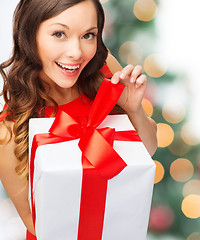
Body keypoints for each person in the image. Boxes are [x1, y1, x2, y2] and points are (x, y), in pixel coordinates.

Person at [0, 0, 157, 239]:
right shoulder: (9, 131)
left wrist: (134, 109)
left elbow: (148, 149)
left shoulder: (105, 72)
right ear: (29, 35)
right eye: (59, 34)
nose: (76, 53)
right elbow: (37, 225)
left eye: (88, 35)